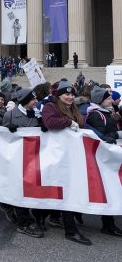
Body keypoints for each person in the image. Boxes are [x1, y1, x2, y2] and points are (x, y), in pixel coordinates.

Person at [41, 80, 92, 245]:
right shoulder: (50, 107)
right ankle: (70, 230)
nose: (70, 97)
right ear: (59, 95)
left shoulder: (73, 108)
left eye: (71, 94)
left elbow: (83, 126)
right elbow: (49, 122)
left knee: (66, 190)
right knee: (67, 191)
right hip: (57, 156)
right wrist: (68, 122)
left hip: (72, 156)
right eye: (66, 94)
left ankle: (46, 216)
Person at [2, 88, 47, 237]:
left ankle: (26, 216)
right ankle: (23, 223)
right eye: (33, 99)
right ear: (25, 101)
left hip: (32, 158)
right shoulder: (10, 115)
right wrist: (7, 130)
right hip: (15, 160)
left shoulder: (36, 114)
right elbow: (1, 139)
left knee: (29, 189)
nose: (36, 101)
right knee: (19, 190)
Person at [85, 86, 122, 237]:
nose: (111, 100)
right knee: (108, 188)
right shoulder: (95, 115)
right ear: (100, 100)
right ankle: (108, 224)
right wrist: (117, 134)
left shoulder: (105, 112)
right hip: (103, 157)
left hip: (109, 155)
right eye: (108, 98)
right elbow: (102, 136)